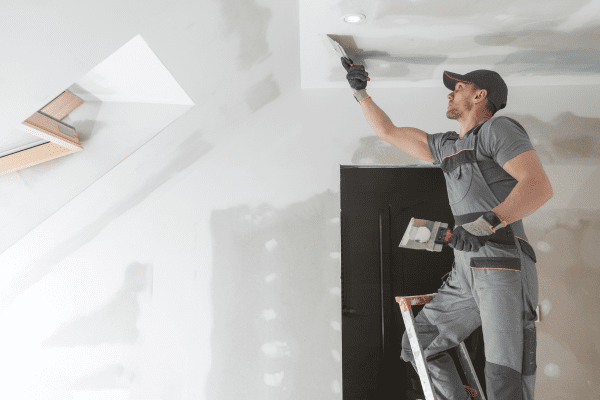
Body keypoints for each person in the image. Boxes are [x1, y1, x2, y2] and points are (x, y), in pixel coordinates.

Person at [342, 57, 553, 400]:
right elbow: (388, 132)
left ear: (480, 95)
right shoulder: (447, 146)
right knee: (419, 343)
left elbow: (539, 186)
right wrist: (361, 91)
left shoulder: (497, 130)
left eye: (457, 88)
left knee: (504, 373)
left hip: (501, 264)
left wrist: (486, 223)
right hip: (466, 270)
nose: (449, 96)